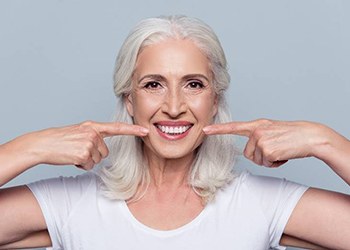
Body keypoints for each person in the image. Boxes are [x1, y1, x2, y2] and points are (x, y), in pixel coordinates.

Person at [0, 15, 349, 250]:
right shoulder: (72, 204)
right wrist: (30, 148)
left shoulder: (260, 203)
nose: (174, 106)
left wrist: (324, 141)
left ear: (215, 100)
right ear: (129, 99)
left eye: (194, 84)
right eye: (153, 85)